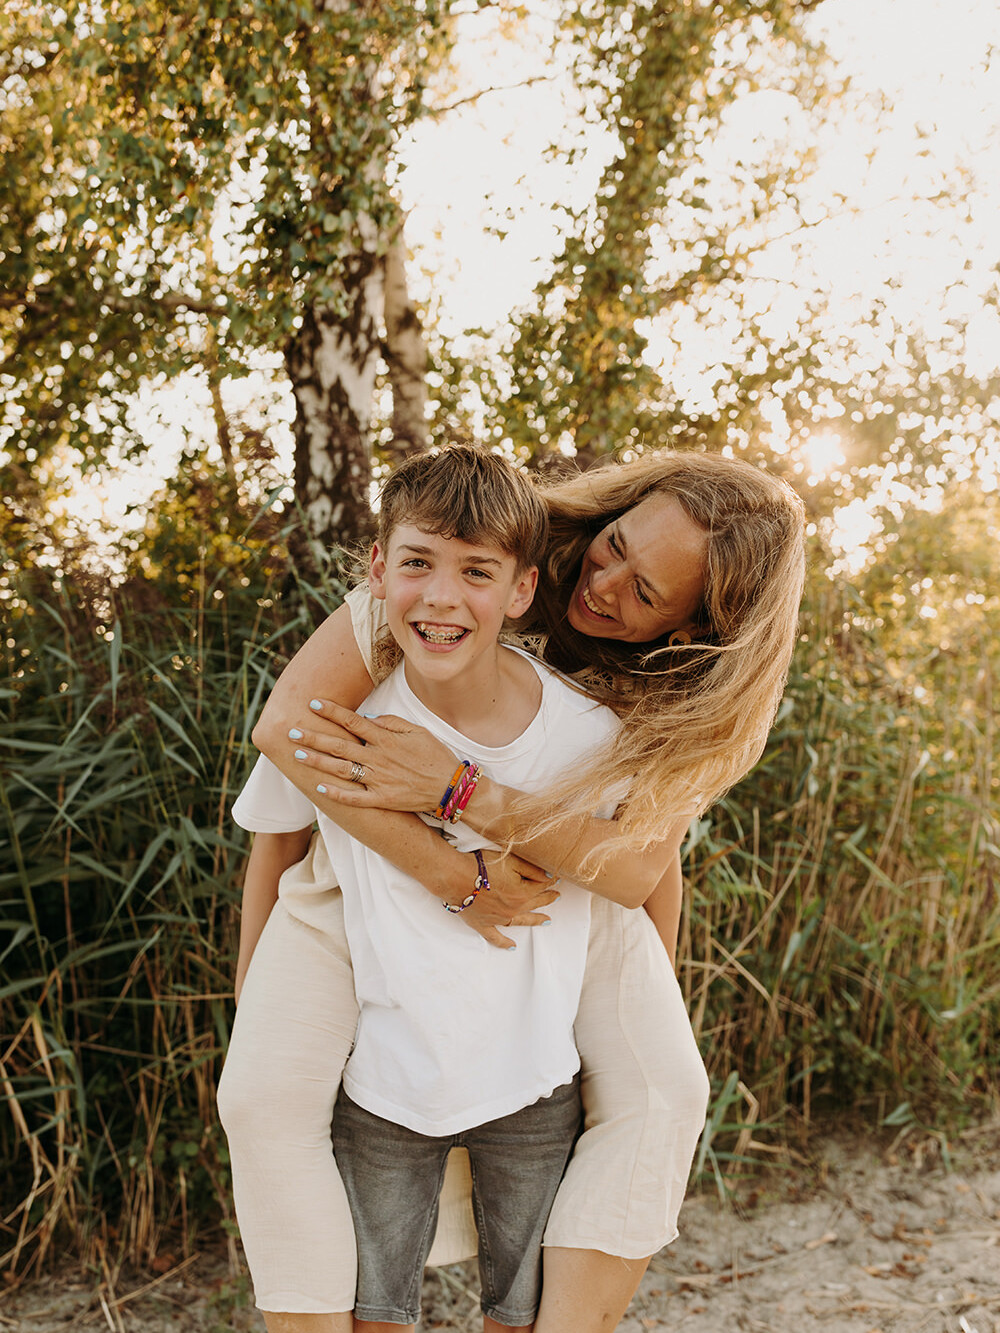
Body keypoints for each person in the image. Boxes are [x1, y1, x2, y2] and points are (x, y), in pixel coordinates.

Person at [226, 446, 806, 1333]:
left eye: (644, 591)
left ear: (690, 629)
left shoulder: (691, 698)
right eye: (614, 543)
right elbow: (288, 735)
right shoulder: (457, 569)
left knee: (665, 1092)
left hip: (567, 876)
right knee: (260, 1094)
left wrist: (461, 790)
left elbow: (642, 868)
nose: (603, 580)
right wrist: (455, 870)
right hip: (374, 862)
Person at [229, 447, 627, 1331]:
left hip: (535, 1078)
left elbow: (638, 868)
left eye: (477, 571)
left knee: (521, 1312)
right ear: (378, 572)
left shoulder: (584, 734)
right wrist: (249, 999)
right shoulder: (335, 724)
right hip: (385, 1081)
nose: (442, 597)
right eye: (417, 562)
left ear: (522, 590)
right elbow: (275, 841)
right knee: (377, 1310)